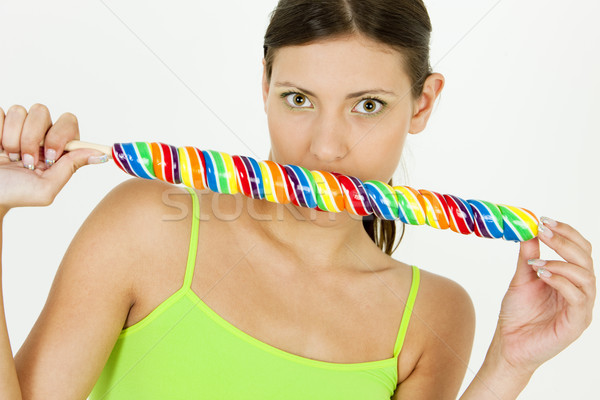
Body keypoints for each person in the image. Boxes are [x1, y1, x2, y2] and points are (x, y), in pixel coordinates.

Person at [0, 0, 595, 398]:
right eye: (299, 100)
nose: (325, 147)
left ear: (423, 103)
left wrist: (509, 366)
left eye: (368, 106)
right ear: (265, 84)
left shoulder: (433, 317)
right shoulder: (146, 226)